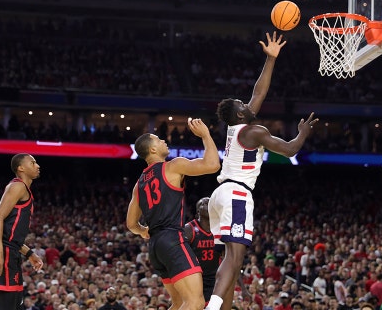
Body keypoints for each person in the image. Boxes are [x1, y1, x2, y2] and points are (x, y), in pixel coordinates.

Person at [205, 31, 318, 310]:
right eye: (243, 105)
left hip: (220, 195)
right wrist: (302, 134)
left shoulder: (237, 126)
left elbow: (259, 92)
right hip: (236, 195)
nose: (247, 103)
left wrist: (270, 58)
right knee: (234, 260)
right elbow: (290, 150)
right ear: (242, 114)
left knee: (231, 260)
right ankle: (213, 307)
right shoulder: (255, 131)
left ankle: (221, 306)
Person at [126, 118, 221, 310]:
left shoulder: (140, 183)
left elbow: (131, 224)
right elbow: (212, 164)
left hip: (155, 246)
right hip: (172, 239)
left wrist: (144, 231)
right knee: (195, 302)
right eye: (159, 140)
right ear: (152, 150)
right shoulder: (172, 166)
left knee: (179, 303)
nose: (164, 141)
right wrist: (206, 135)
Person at [0, 153, 44, 310]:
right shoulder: (17, 186)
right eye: (33, 163)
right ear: (21, 168)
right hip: (4, 251)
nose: (37, 166)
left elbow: (12, 235)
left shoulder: (25, 191)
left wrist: (30, 254)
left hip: (12, 250)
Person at [184, 197, 222, 305]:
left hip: (214, 278)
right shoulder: (189, 229)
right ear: (198, 211)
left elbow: (229, 258)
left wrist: (242, 287)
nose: (209, 204)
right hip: (195, 279)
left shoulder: (219, 230)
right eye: (205, 203)